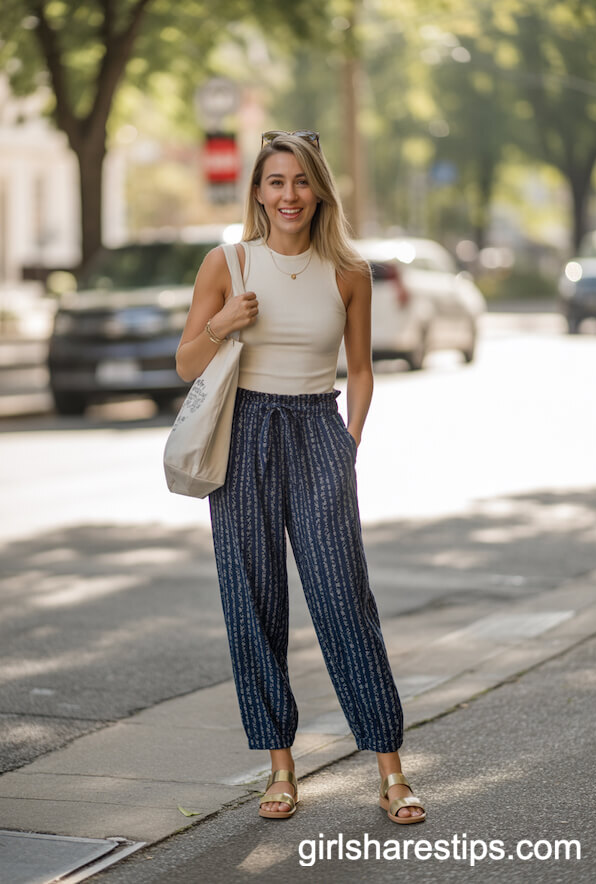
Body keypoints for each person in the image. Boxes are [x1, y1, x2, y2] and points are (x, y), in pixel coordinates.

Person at [175, 131, 425, 824]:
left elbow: (363, 367)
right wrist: (223, 323)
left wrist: (349, 441)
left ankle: (390, 766)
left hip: (318, 428)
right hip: (243, 432)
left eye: (301, 181)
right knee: (251, 600)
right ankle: (281, 768)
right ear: (257, 191)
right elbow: (186, 365)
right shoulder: (226, 263)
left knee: (345, 598)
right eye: (276, 182)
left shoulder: (347, 270)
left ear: (319, 191)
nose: (289, 195)